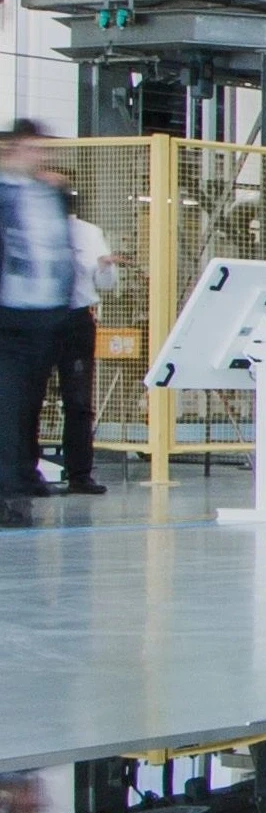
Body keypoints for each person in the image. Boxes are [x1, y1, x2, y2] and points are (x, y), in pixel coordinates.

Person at [0, 120, 95, 522]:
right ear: (13, 148)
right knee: (9, 405)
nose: (43, 157)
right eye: (34, 149)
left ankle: (21, 481)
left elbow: (60, 252)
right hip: (8, 318)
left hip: (47, 318)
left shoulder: (51, 194)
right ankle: (9, 493)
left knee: (28, 407)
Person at [39, 163, 114, 495]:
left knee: (78, 399)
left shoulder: (88, 232)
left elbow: (107, 284)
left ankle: (80, 474)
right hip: (37, 319)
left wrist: (104, 268)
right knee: (29, 398)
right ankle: (26, 472)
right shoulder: (31, 229)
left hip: (75, 320)